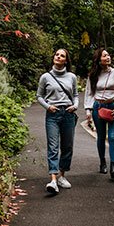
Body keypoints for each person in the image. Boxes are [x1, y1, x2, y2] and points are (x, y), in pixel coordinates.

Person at [36, 48, 79, 195]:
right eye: (57, 54)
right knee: (53, 146)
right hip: (52, 115)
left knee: (67, 147)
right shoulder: (45, 77)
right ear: (54, 57)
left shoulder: (72, 77)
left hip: (68, 113)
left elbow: (75, 95)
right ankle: (53, 180)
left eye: (62, 56)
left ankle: (62, 176)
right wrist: (48, 107)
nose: (58, 57)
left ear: (66, 60)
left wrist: (75, 106)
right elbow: (39, 96)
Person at [84, 48, 114, 181]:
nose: (108, 57)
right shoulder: (93, 75)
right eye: (104, 56)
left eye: (108, 55)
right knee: (101, 136)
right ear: (98, 59)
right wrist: (88, 110)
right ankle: (102, 162)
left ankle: (113, 167)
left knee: (112, 137)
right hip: (98, 107)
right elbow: (89, 93)